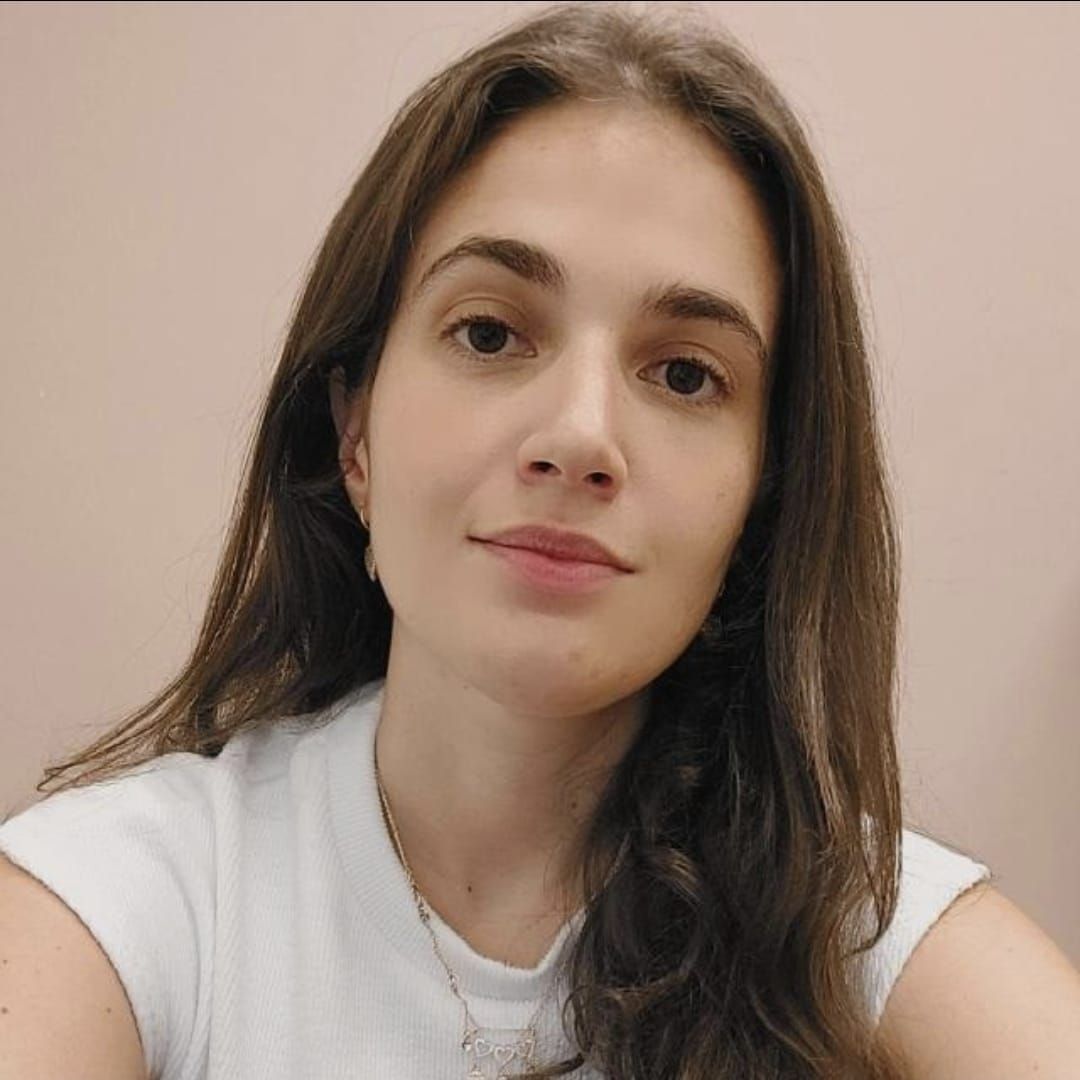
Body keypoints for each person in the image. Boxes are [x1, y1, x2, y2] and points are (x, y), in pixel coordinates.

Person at [2, 3, 1079, 1078]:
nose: (578, 437)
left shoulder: (864, 938)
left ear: (764, 495)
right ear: (354, 433)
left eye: (685, 374)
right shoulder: (127, 903)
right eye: (489, 332)